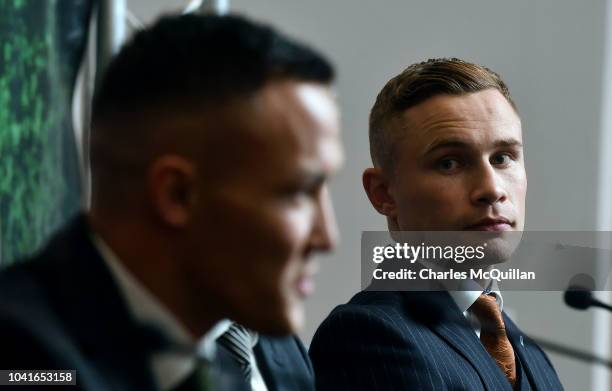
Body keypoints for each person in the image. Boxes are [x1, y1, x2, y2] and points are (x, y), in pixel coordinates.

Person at [0, 13, 343, 391]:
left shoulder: (216, 368)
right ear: (176, 195)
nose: (328, 237)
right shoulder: (22, 361)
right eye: (297, 193)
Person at [309, 58, 563, 390]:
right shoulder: (365, 335)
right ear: (384, 193)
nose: (492, 189)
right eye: (449, 163)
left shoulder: (531, 352)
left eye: (502, 158)